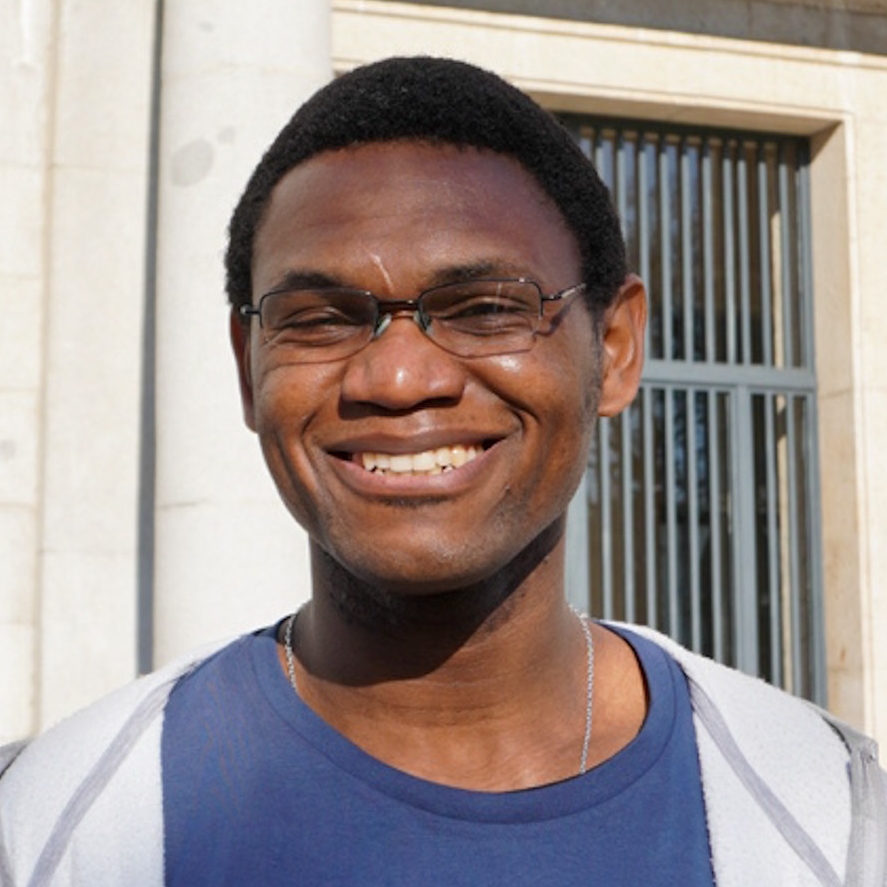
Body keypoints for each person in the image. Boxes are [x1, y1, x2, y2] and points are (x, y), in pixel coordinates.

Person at [0, 56, 884, 887]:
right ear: (248, 367)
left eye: (486, 308)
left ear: (614, 348)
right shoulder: (54, 828)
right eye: (320, 318)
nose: (396, 378)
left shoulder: (829, 819)